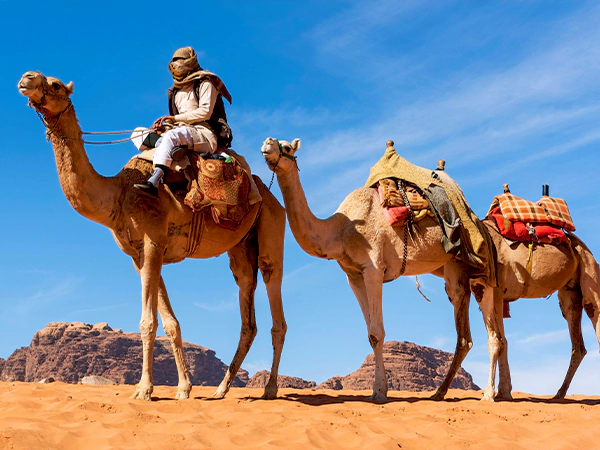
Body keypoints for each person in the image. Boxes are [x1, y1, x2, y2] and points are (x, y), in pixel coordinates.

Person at [134, 46, 261, 204]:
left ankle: (155, 179)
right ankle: (171, 148)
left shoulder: (206, 82)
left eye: (180, 62)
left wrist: (174, 119)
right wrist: (164, 126)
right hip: (181, 132)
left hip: (204, 133)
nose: (176, 66)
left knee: (173, 136)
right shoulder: (175, 91)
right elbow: (178, 120)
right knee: (137, 133)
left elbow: (205, 113)